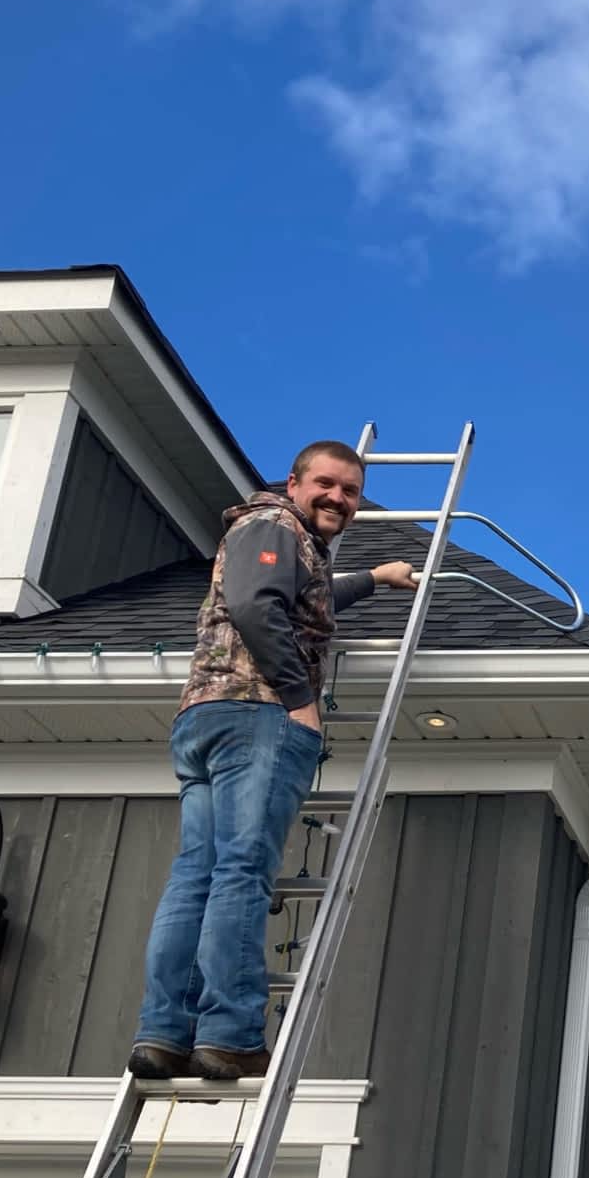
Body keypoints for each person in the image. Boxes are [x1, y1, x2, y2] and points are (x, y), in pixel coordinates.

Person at [129, 441, 417, 1081]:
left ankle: (166, 1032)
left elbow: (294, 597)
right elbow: (260, 606)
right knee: (241, 872)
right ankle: (229, 1034)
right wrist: (297, 700)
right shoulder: (273, 524)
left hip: (204, 716)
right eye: (325, 483)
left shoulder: (270, 534)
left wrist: (375, 578)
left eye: (349, 491)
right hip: (255, 715)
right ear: (293, 482)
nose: (337, 498)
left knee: (198, 875)